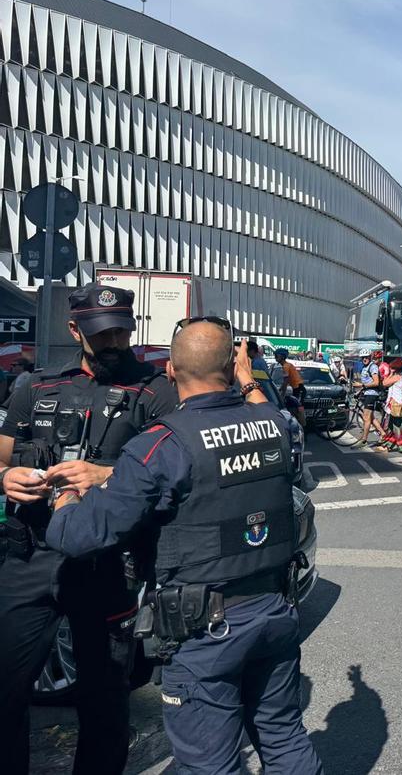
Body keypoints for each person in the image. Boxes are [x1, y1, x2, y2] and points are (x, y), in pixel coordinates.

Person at [44, 320, 323, 774]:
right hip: (274, 610)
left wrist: (66, 494)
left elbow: (79, 536)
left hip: (205, 631)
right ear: (231, 368)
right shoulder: (274, 425)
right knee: (284, 737)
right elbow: (271, 431)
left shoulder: (162, 445)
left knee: (208, 763)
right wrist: (247, 378)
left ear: (171, 371)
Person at [0, 283, 180, 775]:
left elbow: (176, 468)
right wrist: (6, 477)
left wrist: (105, 475)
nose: (114, 342)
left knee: (104, 701)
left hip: (109, 563)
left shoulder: (156, 391)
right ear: (75, 329)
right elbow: (2, 454)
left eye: (121, 331)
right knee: (6, 688)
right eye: (102, 334)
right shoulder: (37, 386)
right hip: (30, 555)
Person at [356, 351, 388, 446]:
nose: (364, 359)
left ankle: (364, 440)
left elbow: (376, 382)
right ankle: (383, 433)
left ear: (369, 357)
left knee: (366, 418)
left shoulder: (372, 367)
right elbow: (366, 382)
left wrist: (362, 385)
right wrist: (359, 391)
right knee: (371, 417)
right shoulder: (364, 367)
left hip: (372, 394)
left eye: (366, 357)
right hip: (367, 393)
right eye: (362, 357)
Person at [272, 348, 306, 429]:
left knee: (298, 407)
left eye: (276, 356)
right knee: (294, 406)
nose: (275, 357)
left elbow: (286, 381)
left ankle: (303, 427)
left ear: (282, 357)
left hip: (299, 388)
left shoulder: (286, 366)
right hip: (297, 388)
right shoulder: (286, 365)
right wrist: (280, 389)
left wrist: (282, 395)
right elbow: (285, 382)